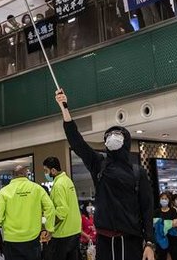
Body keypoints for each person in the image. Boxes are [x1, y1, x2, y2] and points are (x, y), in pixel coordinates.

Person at [55, 89, 155, 260]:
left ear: (126, 140)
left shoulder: (138, 172)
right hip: (104, 241)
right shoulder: (98, 164)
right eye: (109, 135)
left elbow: (147, 209)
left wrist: (149, 243)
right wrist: (64, 108)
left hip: (130, 240)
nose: (112, 137)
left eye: (117, 134)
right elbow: (77, 142)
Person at [0, 165, 55, 260]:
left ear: (13, 176)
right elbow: (50, 209)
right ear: (26, 175)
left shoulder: (4, 192)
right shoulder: (37, 189)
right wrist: (49, 229)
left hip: (11, 241)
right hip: (32, 240)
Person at [42, 157, 80, 260]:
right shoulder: (67, 181)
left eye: (46, 171)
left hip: (63, 233)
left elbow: (62, 210)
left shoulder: (58, 185)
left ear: (53, 170)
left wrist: (48, 227)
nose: (45, 174)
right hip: (75, 230)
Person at [154, 192, 177, 260]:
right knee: (162, 257)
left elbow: (176, 223)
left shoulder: (172, 210)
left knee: (175, 256)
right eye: (162, 198)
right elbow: (154, 223)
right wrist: (169, 223)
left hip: (172, 238)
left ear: (169, 200)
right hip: (161, 239)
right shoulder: (156, 211)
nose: (164, 200)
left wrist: (162, 223)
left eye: (165, 198)